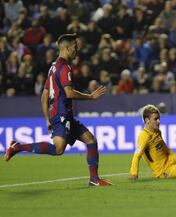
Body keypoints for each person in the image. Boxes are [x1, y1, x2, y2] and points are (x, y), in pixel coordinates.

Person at [5, 33, 112, 187]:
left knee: (91, 140)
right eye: (75, 47)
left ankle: (94, 179)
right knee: (58, 149)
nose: (77, 50)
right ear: (67, 48)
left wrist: (47, 119)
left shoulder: (53, 67)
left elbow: (44, 96)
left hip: (62, 114)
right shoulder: (64, 68)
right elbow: (69, 93)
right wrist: (90, 96)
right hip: (61, 115)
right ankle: (18, 147)